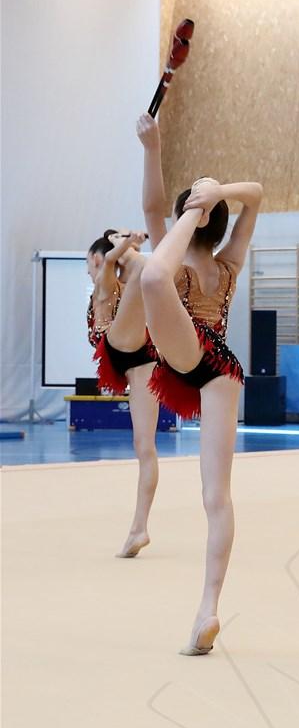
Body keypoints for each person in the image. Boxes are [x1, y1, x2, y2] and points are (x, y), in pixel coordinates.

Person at [137, 111, 263, 655]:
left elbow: (151, 210)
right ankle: (207, 608)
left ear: (188, 219)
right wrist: (219, 194)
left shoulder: (175, 253)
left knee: (152, 275)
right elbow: (256, 196)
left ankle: (209, 610)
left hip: (190, 348)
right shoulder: (229, 263)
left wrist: (155, 151)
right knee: (217, 496)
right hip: (224, 369)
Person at [86, 225, 160, 557]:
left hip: (123, 346)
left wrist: (125, 243)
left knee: (146, 447)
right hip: (134, 357)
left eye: (88, 263)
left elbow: (111, 261)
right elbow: (113, 262)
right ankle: (138, 529)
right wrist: (127, 243)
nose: (89, 270)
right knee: (143, 446)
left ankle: (139, 528)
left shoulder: (105, 279)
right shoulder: (111, 283)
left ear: (95, 258)